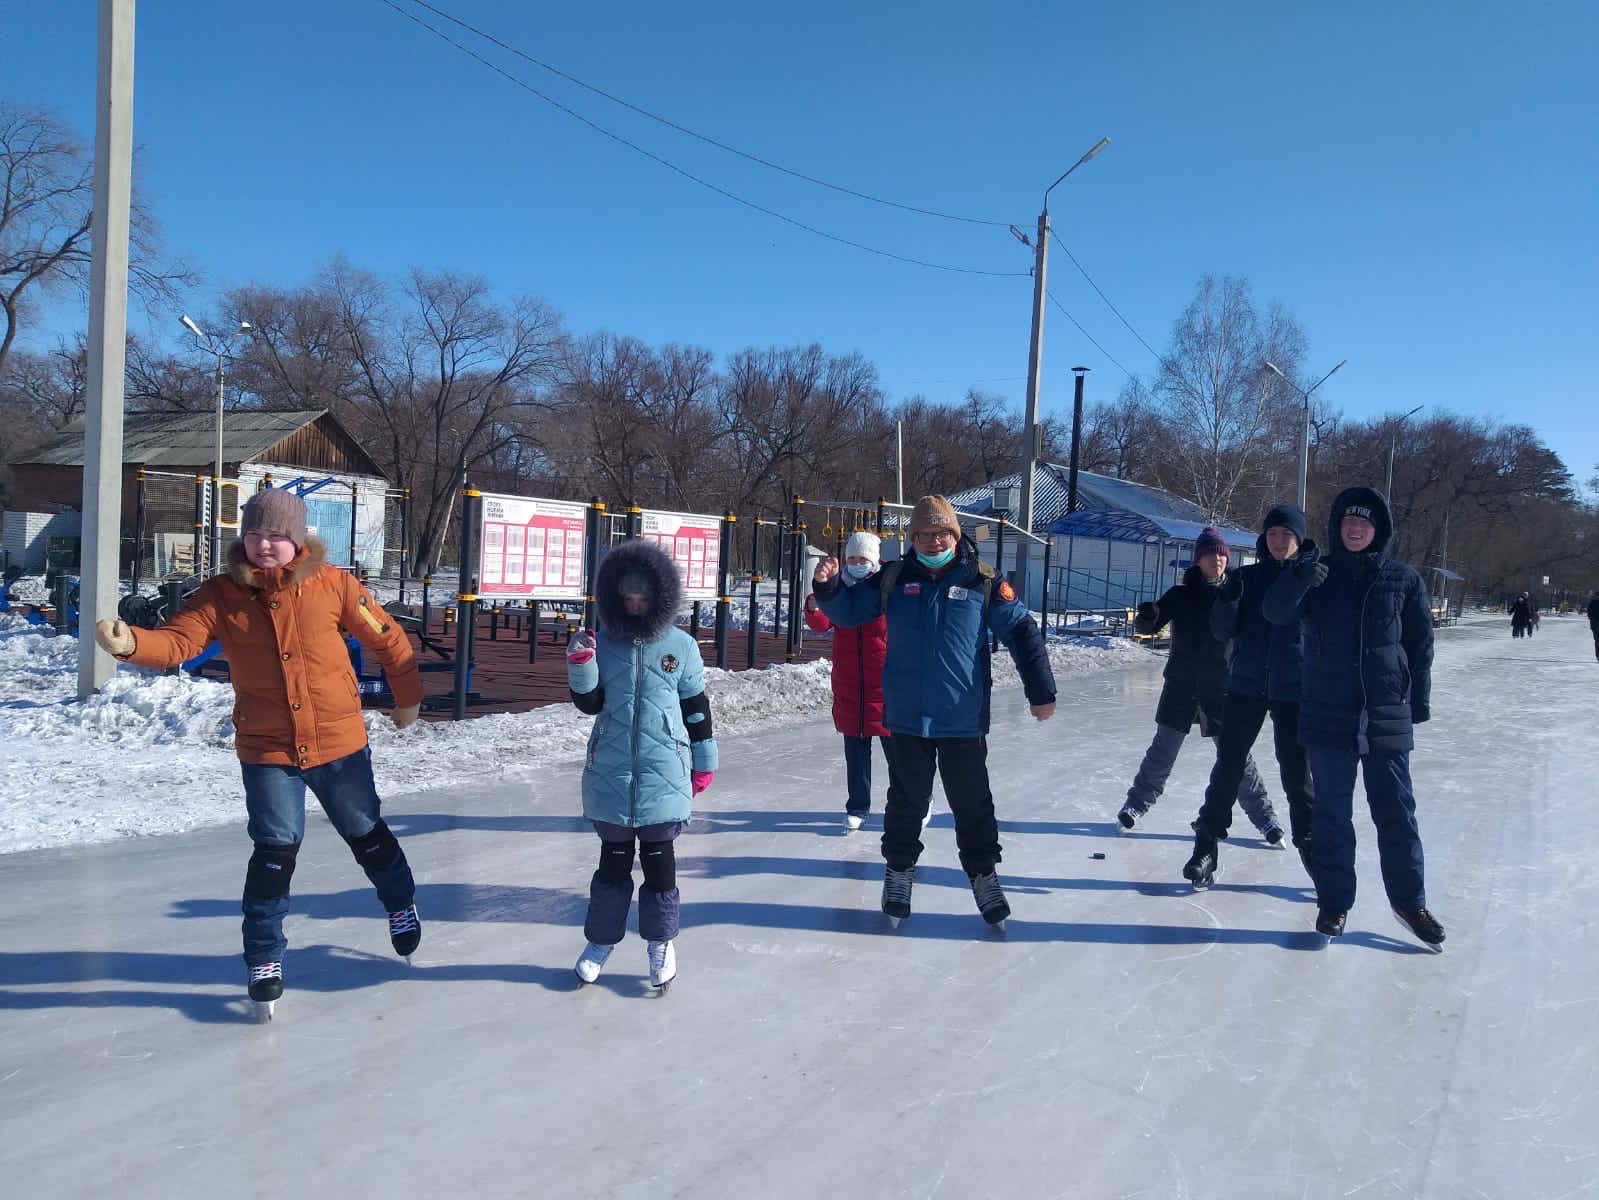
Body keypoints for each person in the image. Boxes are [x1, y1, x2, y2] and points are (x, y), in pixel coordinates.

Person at [93, 488, 424, 1015]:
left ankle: (400, 902)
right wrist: (133, 643)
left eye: (276, 536)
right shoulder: (222, 594)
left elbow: (389, 640)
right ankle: (264, 955)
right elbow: (178, 643)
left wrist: (407, 699)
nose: (264, 545)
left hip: (338, 740)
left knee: (366, 832)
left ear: (297, 541)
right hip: (267, 745)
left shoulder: (336, 585)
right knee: (274, 850)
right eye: (254, 535)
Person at [813, 494, 1056, 929]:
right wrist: (828, 588)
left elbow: (1021, 629)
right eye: (922, 534)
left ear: (954, 535)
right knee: (905, 802)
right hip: (906, 716)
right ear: (912, 539)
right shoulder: (892, 579)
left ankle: (984, 877)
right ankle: (899, 873)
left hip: (961, 717)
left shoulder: (982, 581)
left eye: (940, 532)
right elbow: (849, 613)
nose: (931, 541)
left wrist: (1040, 689)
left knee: (972, 803)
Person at [1263, 486, 1444, 949]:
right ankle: (1335, 901)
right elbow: (1274, 613)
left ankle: (1410, 901)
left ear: (1378, 529)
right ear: (1337, 528)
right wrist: (1299, 577)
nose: (1355, 529)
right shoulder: (1317, 577)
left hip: (1385, 715)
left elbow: (1420, 647)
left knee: (1397, 814)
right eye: (1347, 523)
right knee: (1331, 816)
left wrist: (1417, 701)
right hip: (1327, 715)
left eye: (1363, 523)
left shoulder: (1403, 580)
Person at [566, 538, 716, 990]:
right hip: (611, 770)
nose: (634, 604)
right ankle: (601, 941)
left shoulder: (681, 646)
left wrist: (704, 760)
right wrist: (580, 663)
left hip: (664, 772)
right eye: (626, 598)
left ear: (659, 596)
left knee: (658, 865)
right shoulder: (603, 642)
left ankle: (660, 942)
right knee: (611, 866)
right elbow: (589, 703)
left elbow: (696, 708)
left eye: (642, 597)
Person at [1118, 527, 1283, 846]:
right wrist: (1147, 617)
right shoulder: (1180, 595)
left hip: (1221, 688)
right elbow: (1151, 626)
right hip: (1181, 685)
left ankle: (1266, 819)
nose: (1217, 560)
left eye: (1221, 555)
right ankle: (1134, 806)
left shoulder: (1236, 593)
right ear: (1199, 560)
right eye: (1210, 555)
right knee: (1162, 752)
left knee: (1236, 758)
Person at [1184, 506, 1317, 887]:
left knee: (1297, 775)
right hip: (1246, 684)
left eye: (1286, 535)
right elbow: (1222, 631)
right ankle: (1206, 844)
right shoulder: (1246, 577)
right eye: (1272, 534)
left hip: (1295, 689)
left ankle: (1312, 848)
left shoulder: (1312, 579)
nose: (1278, 541)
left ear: (1298, 539)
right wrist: (1226, 601)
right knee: (1228, 765)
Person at [1588, 591, 1599, 661]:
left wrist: (1592, 619)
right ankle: (1598, 655)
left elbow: (1589, 613)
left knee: (1597, 640)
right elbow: (1589, 613)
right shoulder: (1592, 603)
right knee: (1597, 640)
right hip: (1595, 623)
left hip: (1594, 623)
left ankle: (1598, 655)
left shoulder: (1592, 603)